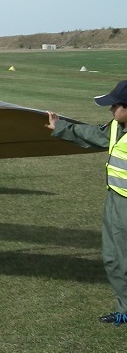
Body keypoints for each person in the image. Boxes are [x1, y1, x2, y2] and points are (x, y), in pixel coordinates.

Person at [47, 80, 127, 325]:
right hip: (117, 201)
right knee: (115, 258)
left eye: (115, 105)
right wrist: (60, 127)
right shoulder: (116, 126)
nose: (111, 110)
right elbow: (92, 134)